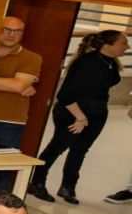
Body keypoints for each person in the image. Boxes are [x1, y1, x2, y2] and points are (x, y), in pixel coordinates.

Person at [31, 29, 128, 204]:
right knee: (57, 147)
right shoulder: (86, 63)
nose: (127, 47)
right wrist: (80, 117)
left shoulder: (111, 63)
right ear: (108, 44)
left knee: (80, 150)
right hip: (73, 113)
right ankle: (37, 182)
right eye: (123, 43)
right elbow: (65, 95)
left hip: (96, 113)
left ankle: (68, 187)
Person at [0, 16, 42, 192]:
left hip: (9, 122)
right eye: (7, 29)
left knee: (1, 172)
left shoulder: (32, 58)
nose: (11, 35)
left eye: (17, 31)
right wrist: (8, 84)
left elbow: (18, 86)